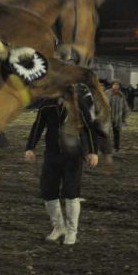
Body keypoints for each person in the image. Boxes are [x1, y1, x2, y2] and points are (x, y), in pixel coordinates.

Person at [24, 88, 99, 245]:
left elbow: (89, 128)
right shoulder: (46, 104)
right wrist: (30, 147)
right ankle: (59, 227)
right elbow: (38, 125)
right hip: (52, 154)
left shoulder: (78, 104)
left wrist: (93, 151)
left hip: (73, 156)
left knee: (71, 193)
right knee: (48, 191)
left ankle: (72, 231)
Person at [105, 79, 130, 153]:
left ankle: (116, 147)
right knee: (107, 133)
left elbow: (125, 105)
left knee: (117, 133)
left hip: (118, 117)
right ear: (112, 85)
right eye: (114, 84)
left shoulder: (121, 94)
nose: (116, 86)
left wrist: (124, 117)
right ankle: (107, 147)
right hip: (108, 117)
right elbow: (102, 103)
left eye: (117, 85)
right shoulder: (107, 93)